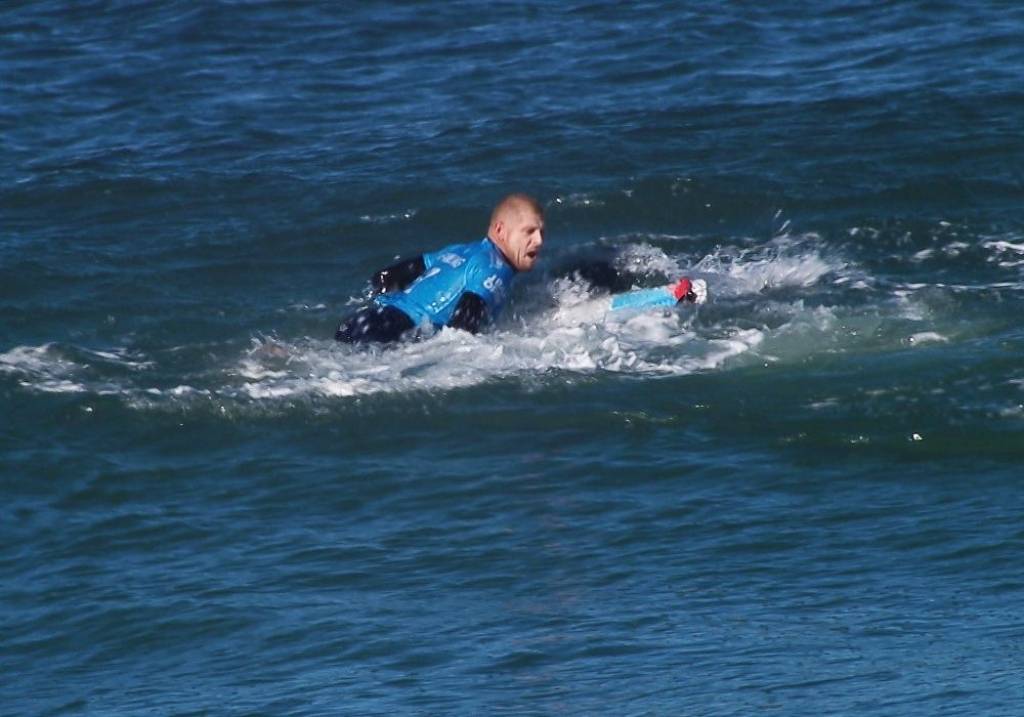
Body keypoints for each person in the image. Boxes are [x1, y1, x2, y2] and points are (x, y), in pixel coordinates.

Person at [336, 193, 546, 343]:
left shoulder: (459, 250)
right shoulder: (494, 269)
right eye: (529, 232)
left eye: (541, 233)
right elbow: (461, 332)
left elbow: (387, 276)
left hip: (365, 319)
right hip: (392, 332)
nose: (538, 241)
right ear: (500, 230)